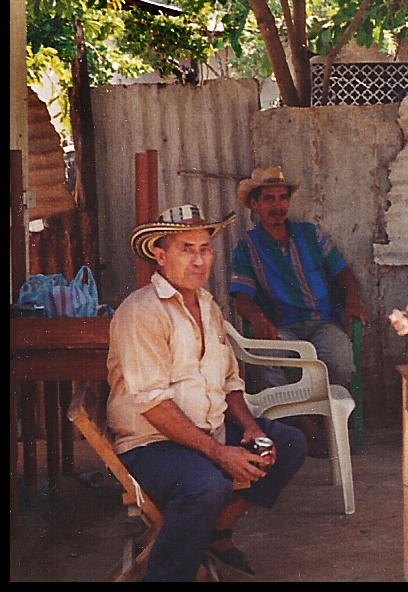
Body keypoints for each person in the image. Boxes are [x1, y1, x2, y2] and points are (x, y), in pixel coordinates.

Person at [108, 204, 306, 581]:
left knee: (288, 443)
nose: (199, 260)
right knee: (207, 483)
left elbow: (229, 381)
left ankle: (215, 532)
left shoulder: (208, 305)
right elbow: (153, 405)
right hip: (152, 443)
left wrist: (249, 428)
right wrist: (219, 452)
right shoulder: (142, 312)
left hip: (206, 430)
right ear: (160, 256)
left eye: (205, 248)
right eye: (186, 249)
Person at [229, 167, 367, 451]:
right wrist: (256, 317)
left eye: (282, 198)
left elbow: (343, 274)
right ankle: (304, 424)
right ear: (254, 204)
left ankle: (324, 418)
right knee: (265, 361)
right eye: (269, 199)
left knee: (340, 358)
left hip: (322, 323)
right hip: (283, 328)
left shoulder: (310, 234)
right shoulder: (248, 245)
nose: (277, 206)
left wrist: (351, 300)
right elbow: (240, 295)